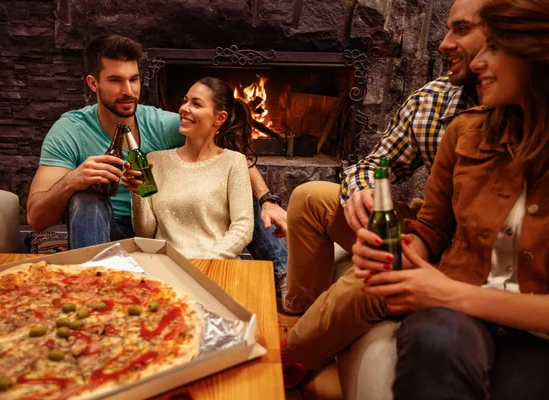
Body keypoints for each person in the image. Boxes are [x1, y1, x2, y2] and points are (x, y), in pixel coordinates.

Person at [279, 0, 485, 388]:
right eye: (444, 30)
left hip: (463, 249)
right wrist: (363, 192)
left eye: (460, 29)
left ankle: (295, 355)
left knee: (373, 276)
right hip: (432, 227)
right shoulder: (434, 100)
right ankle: (300, 314)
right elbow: (375, 165)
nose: (442, 44)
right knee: (310, 198)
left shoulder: (517, 114)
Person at [352, 0, 549, 397]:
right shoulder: (464, 131)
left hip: (528, 325)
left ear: (535, 50)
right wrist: (403, 251)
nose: (477, 63)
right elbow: (433, 226)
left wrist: (448, 292)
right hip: (454, 308)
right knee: (437, 340)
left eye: (493, 47)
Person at [26, 35, 288, 286]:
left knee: (246, 196)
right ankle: (90, 286)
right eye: (116, 80)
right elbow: (36, 219)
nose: (128, 91)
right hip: (105, 232)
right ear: (94, 84)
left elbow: (231, 155)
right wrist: (74, 180)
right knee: (85, 198)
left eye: (134, 79)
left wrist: (267, 199)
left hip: (158, 230)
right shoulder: (70, 130)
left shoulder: (164, 124)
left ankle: (285, 274)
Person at [123, 77, 254, 258]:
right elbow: (145, 232)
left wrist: (204, 262)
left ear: (220, 118)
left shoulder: (233, 162)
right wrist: (138, 194)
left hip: (215, 266)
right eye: (185, 101)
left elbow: (243, 227)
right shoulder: (155, 161)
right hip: (167, 265)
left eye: (196, 104)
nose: (184, 108)